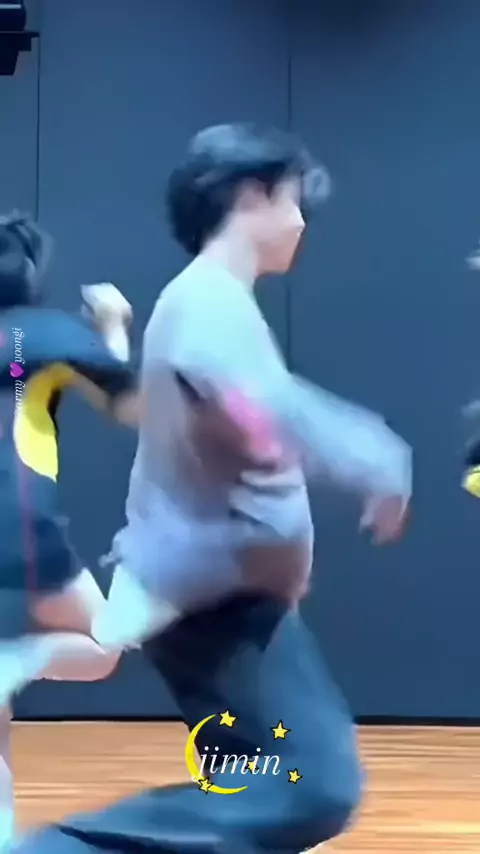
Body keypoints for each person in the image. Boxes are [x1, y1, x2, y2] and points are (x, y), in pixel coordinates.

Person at [18, 124, 412, 854]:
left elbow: (234, 424)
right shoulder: (205, 302)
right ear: (251, 195)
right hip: (212, 603)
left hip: (219, 594)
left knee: (247, 782)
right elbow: (255, 401)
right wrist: (376, 457)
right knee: (310, 787)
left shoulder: (208, 301)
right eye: (293, 200)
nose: (301, 222)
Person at [0, 212, 138, 850]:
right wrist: (112, 324)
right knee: (104, 645)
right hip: (22, 533)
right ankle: (17, 660)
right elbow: (125, 401)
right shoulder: (41, 334)